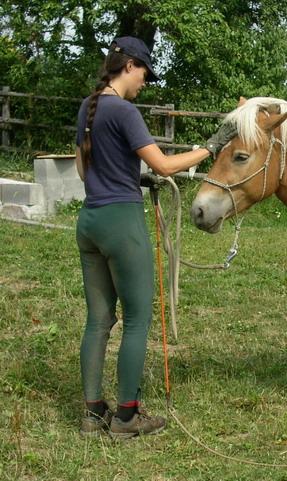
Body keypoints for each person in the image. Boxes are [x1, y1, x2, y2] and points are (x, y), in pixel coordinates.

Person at [74, 36, 216, 439]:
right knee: (137, 320)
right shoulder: (124, 111)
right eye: (144, 75)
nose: (144, 83)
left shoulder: (88, 106)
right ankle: (126, 417)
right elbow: (165, 166)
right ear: (130, 66)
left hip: (89, 221)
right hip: (122, 224)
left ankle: (92, 414)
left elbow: (85, 171)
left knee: (98, 320)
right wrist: (209, 148)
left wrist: (128, 176)